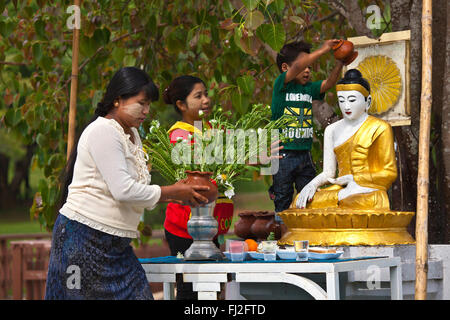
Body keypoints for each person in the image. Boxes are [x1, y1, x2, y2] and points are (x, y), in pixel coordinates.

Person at [45, 67, 212, 300]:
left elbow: (136, 189)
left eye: (149, 105)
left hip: (116, 245)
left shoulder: (132, 133)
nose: (146, 111)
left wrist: (176, 195)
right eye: (141, 103)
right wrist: (171, 191)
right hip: (82, 239)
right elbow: (123, 190)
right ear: (117, 100)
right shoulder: (103, 131)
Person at [162, 75, 234, 300]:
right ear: (181, 105)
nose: (206, 100)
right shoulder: (179, 134)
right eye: (198, 96)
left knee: (213, 287)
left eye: (206, 94)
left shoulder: (213, 128)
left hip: (210, 222)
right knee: (190, 289)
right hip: (184, 226)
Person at [294, 69, 397, 210]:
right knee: (299, 202)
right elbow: (329, 173)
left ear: (368, 102)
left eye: (352, 100)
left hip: (366, 191)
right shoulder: (331, 129)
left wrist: (355, 180)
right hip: (340, 190)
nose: (346, 106)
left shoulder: (380, 128)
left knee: (354, 203)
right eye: (342, 100)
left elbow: (389, 173)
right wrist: (312, 184)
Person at [270, 39, 343, 227]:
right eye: (304, 66)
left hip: (305, 154)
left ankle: (305, 233)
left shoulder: (309, 89)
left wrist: (340, 62)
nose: (308, 70)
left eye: (310, 67)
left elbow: (329, 83)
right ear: (286, 68)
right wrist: (323, 49)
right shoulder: (281, 86)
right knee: (282, 199)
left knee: (310, 195)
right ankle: (282, 236)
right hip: (283, 155)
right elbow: (298, 66)